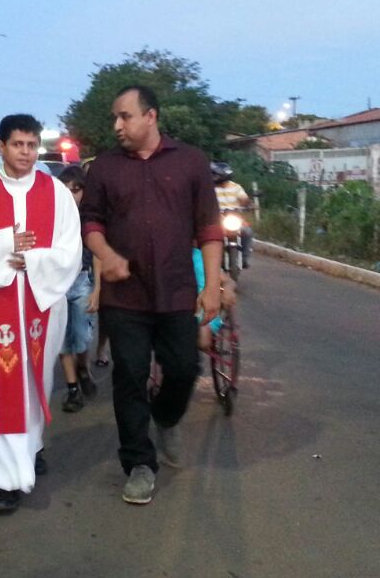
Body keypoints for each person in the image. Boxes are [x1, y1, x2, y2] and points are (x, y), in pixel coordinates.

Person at [80, 85, 225, 506]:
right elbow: (90, 222)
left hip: (177, 291)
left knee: (183, 367)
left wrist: (211, 286)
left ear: (151, 116)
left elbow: (210, 228)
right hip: (125, 298)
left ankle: (165, 416)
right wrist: (105, 255)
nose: (117, 126)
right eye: (115, 118)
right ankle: (139, 464)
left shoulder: (190, 162)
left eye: (124, 116)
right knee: (128, 376)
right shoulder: (105, 168)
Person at [0, 114, 81, 515]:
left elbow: (70, 249)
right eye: (18, 145)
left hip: (42, 300)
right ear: (1, 146)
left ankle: (31, 446)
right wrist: (7, 242)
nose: (26, 153)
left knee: (35, 377)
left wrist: (35, 258)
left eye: (31, 145)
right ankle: (4, 480)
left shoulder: (56, 192)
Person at [56, 165, 99, 413]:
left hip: (83, 281)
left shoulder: (90, 218)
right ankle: (72, 389)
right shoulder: (49, 217)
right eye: (65, 189)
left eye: (76, 189)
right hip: (56, 285)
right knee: (62, 340)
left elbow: (98, 256)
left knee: (81, 338)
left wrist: (98, 290)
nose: (71, 194)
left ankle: (83, 367)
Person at [211, 162, 253, 269]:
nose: (213, 177)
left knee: (247, 231)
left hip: (234, 217)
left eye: (215, 175)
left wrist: (248, 204)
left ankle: (244, 258)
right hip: (216, 219)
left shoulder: (236, 187)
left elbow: (243, 199)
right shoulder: (210, 188)